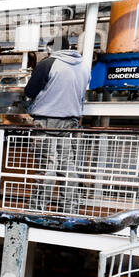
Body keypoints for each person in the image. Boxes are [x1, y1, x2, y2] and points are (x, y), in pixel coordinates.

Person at [24, 38, 90, 212]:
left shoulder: (48, 63)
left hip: (46, 122)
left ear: (51, 48)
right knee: (68, 167)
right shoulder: (83, 66)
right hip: (71, 124)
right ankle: (69, 209)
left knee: (48, 167)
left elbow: (29, 91)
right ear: (70, 47)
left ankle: (37, 210)